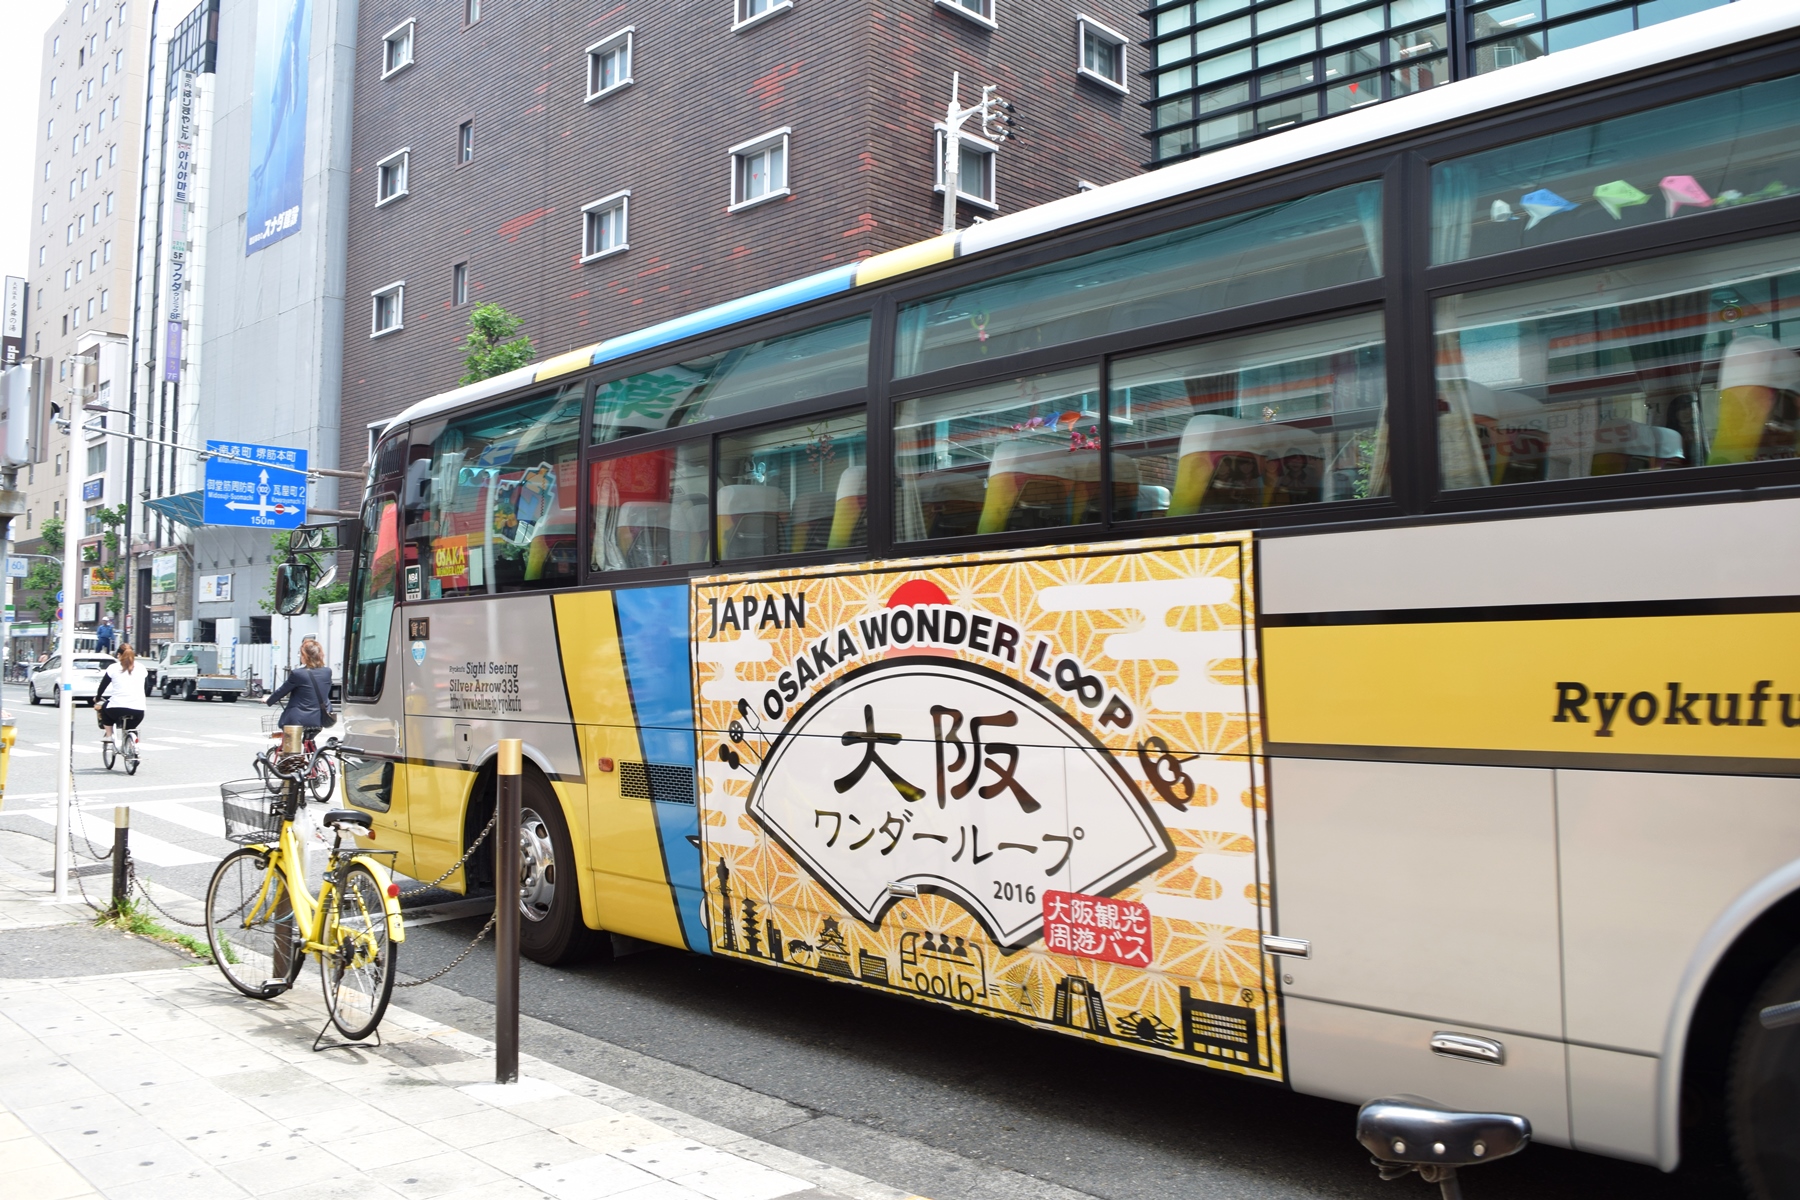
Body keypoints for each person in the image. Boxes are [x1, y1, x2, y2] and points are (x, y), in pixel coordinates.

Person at [268, 638, 333, 733]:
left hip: (298, 719)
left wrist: (269, 700)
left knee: (291, 745)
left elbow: (282, 691)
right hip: (320, 717)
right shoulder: (327, 672)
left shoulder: (297, 674)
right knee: (309, 741)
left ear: (305, 656)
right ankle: (310, 746)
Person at [94, 644, 149, 746]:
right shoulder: (141, 667)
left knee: (104, 709)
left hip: (116, 708)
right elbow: (146, 686)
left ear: (119, 655)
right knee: (131, 727)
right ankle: (132, 743)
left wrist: (97, 697)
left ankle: (109, 736)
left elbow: (102, 686)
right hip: (138, 710)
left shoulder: (113, 667)